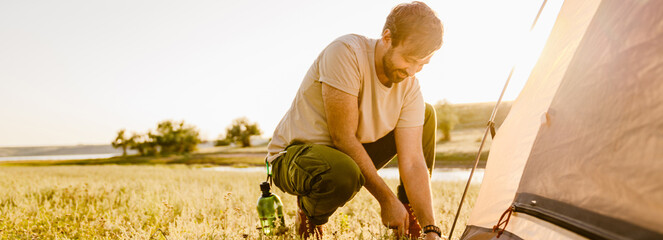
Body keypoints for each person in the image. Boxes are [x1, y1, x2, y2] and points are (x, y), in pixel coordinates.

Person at [266, 2, 444, 239]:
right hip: (293, 157)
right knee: (343, 171)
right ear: (387, 37)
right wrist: (386, 199)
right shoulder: (346, 52)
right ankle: (310, 215)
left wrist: (430, 227)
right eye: (409, 59)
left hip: (345, 157)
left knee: (426, 113)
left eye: (422, 63)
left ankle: (410, 222)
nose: (412, 71)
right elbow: (343, 137)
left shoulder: (410, 87)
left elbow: (412, 162)